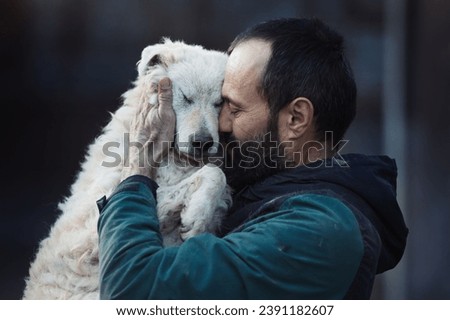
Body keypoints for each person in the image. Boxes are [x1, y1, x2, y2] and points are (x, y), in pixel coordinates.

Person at [97, 18, 408, 299]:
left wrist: (139, 167)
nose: (220, 125)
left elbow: (132, 293)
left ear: (296, 118)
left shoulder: (320, 230)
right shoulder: (266, 192)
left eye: (232, 108)